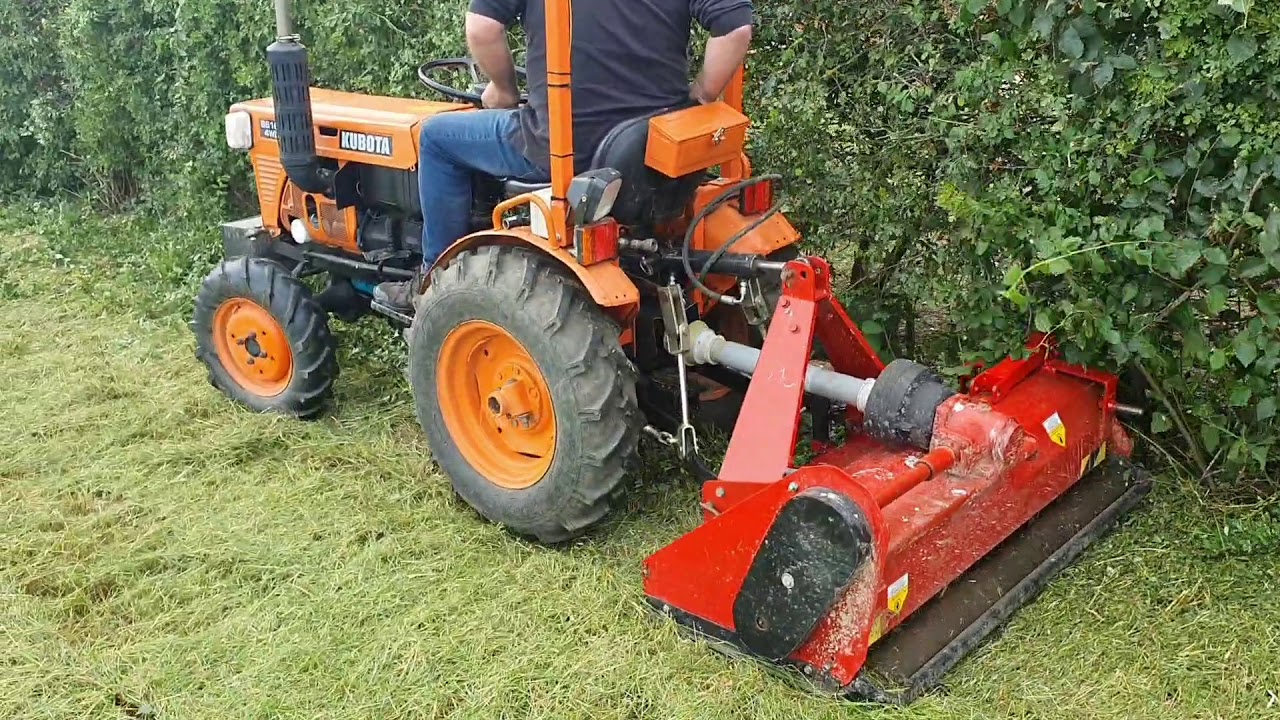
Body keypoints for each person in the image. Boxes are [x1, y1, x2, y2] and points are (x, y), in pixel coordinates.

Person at [373, 0, 755, 315]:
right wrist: (702, 95)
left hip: (566, 151)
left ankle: (431, 283)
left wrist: (503, 90)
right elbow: (735, 28)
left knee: (437, 138)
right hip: (652, 152)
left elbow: (482, 28)